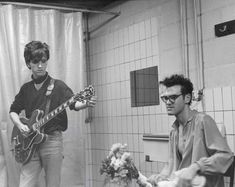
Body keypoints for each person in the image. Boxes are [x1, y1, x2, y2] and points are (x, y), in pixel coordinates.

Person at [9, 41, 96, 187]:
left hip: (52, 142)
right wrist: (20, 125)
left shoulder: (58, 86)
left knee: (53, 184)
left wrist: (85, 104)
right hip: (29, 142)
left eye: (44, 61)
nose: (40, 65)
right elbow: (13, 111)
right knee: (25, 184)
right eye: (36, 62)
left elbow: (74, 103)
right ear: (29, 63)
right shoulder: (26, 89)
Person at [148, 74, 233, 187]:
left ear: (187, 98)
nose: (168, 102)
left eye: (173, 97)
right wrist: (157, 179)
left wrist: (196, 167)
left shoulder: (203, 121)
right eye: (165, 98)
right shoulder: (174, 131)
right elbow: (170, 166)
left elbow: (227, 156)